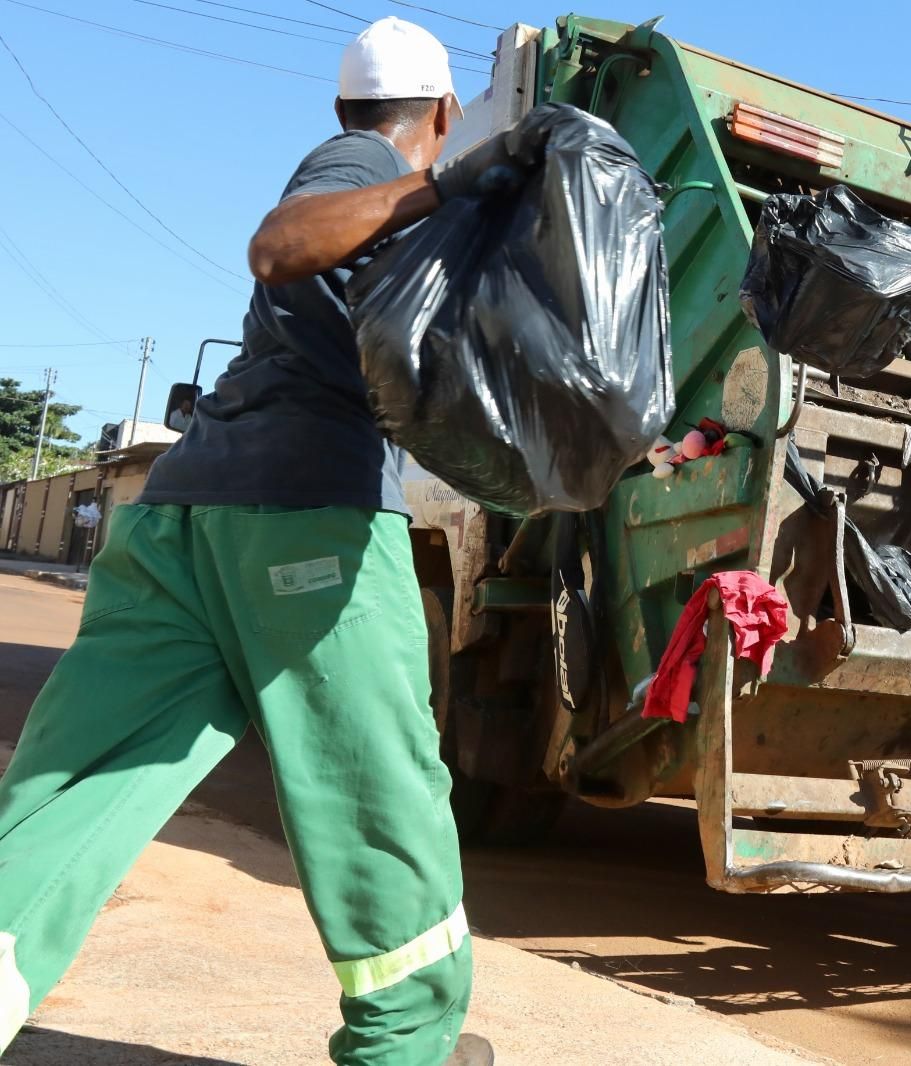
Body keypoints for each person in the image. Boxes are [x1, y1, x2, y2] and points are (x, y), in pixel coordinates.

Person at [0, 17, 538, 1065]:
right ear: (439, 114)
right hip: (307, 520)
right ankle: (407, 1045)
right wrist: (445, 186)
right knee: (379, 786)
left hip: (180, 519)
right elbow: (280, 244)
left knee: (80, 779)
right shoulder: (367, 164)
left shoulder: (363, 174)